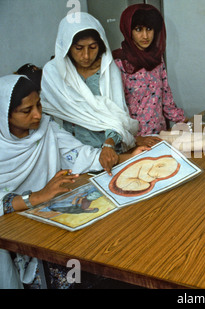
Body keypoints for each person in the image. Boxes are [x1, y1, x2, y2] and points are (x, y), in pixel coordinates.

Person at [0, 75, 148, 288]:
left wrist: (127, 157)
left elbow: (79, 154)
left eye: (39, 105)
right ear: (4, 114)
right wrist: (37, 197)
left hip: (51, 216)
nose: (37, 114)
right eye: (26, 110)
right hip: (16, 231)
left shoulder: (46, 128)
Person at [40, 13, 153, 173]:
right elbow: (47, 117)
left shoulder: (108, 70)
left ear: (101, 45)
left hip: (111, 152)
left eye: (93, 47)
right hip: (74, 156)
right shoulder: (53, 73)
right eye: (78, 48)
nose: (86, 55)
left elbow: (117, 115)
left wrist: (108, 145)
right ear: (66, 46)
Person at [113, 4, 187, 138]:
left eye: (149, 29)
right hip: (134, 141)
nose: (145, 35)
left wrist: (181, 120)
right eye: (138, 29)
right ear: (128, 31)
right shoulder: (119, 62)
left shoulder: (157, 60)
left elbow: (166, 97)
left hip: (160, 136)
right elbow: (115, 108)